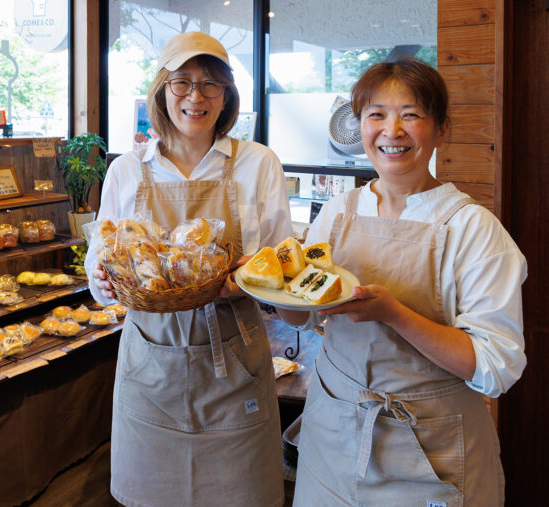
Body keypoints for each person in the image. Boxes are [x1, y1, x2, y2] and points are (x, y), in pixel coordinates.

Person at [278, 58, 527, 505]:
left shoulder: (472, 229)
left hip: (429, 449)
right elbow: (299, 315)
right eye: (376, 114)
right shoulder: (338, 214)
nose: (392, 130)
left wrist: (394, 314)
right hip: (332, 434)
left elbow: (496, 367)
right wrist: (267, 285)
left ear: (441, 128)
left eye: (410, 114)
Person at [84, 31, 292, 506]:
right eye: (182, 82)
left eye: (210, 84)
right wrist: (100, 281)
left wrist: (249, 280)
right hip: (150, 365)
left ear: (227, 96)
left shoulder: (258, 164)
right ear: (162, 90)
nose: (195, 97)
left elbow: (284, 266)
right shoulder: (127, 170)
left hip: (234, 362)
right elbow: (100, 269)